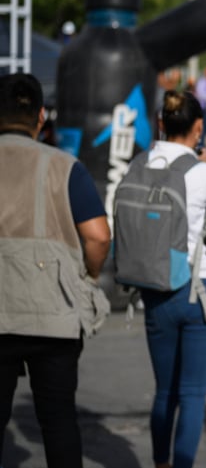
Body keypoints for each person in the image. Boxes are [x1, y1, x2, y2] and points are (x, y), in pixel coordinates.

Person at [0, 73, 111, 468]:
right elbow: (98, 236)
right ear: (42, 116)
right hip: (53, 309)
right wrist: (88, 276)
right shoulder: (65, 166)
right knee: (58, 420)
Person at [134, 90, 206, 468]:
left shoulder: (139, 164)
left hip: (155, 283)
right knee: (192, 393)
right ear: (198, 127)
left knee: (165, 391)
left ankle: (160, 462)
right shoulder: (205, 172)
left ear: (160, 123)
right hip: (202, 285)